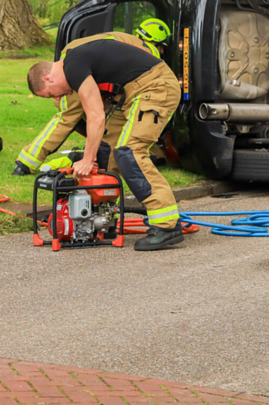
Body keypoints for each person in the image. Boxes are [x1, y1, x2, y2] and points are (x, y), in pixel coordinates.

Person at [27, 34, 183, 251]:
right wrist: (93, 157)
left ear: (48, 79)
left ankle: (167, 226)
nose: (55, 98)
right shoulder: (74, 62)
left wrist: (86, 160)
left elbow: (96, 116)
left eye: (49, 94)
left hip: (155, 87)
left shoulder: (72, 66)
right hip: (134, 92)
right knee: (106, 151)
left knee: (130, 152)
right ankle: (102, 220)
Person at [14, 22, 171, 175]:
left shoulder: (131, 44)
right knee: (69, 117)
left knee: (83, 118)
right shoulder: (148, 53)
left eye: (50, 94)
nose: (56, 98)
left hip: (74, 61)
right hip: (78, 68)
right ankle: (28, 161)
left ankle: (152, 156)